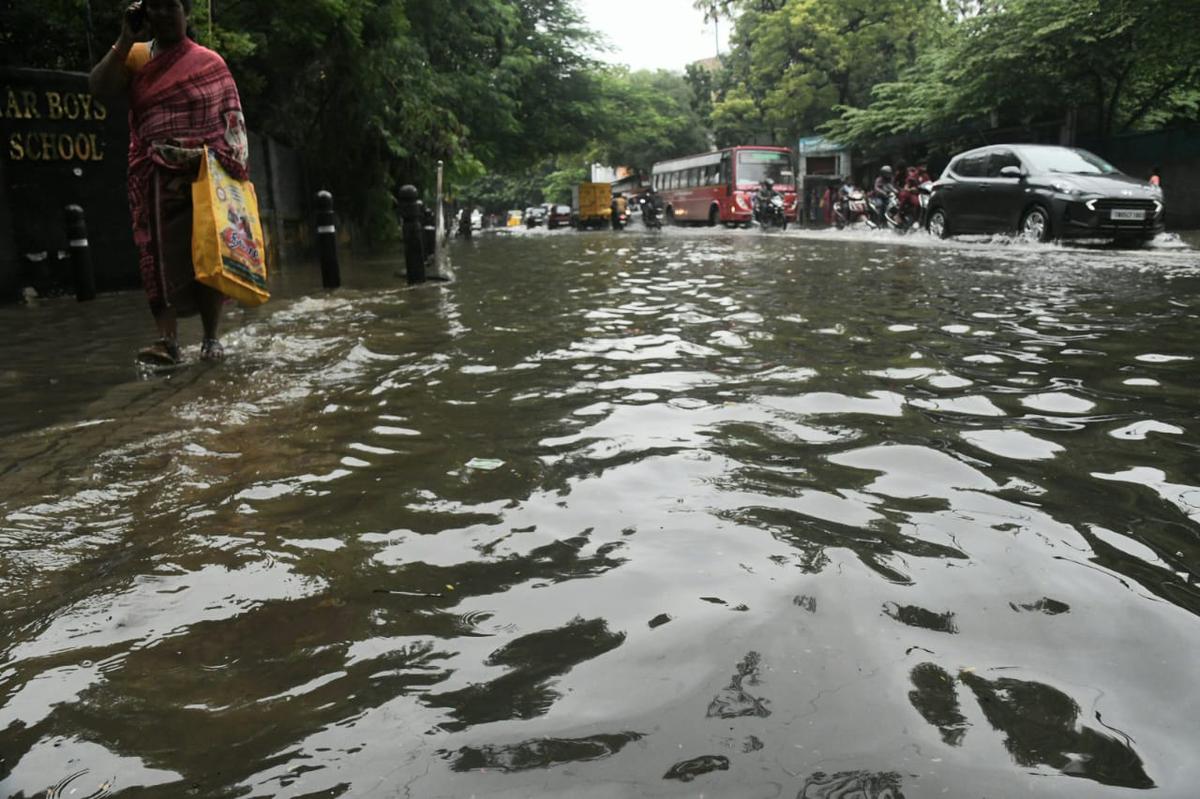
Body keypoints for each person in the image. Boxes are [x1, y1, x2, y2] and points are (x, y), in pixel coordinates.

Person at [89, 0, 249, 365]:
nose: (162, 14)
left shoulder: (209, 64)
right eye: (155, 6)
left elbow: (231, 124)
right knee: (155, 256)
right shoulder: (136, 57)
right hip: (151, 175)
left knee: (205, 253)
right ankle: (167, 340)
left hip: (202, 177)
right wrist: (125, 39)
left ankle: (211, 339)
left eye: (171, 5)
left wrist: (205, 156)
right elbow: (99, 88)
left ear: (186, 10)